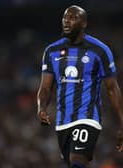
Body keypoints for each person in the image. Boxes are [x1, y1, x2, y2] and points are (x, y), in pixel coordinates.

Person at [37, 5, 123, 168]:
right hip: (63, 121)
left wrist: (122, 123)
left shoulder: (100, 51)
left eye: (73, 18)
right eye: (65, 18)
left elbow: (112, 89)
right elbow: (46, 87)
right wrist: (41, 108)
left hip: (88, 117)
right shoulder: (52, 51)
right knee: (75, 162)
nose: (67, 21)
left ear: (84, 23)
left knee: (77, 161)